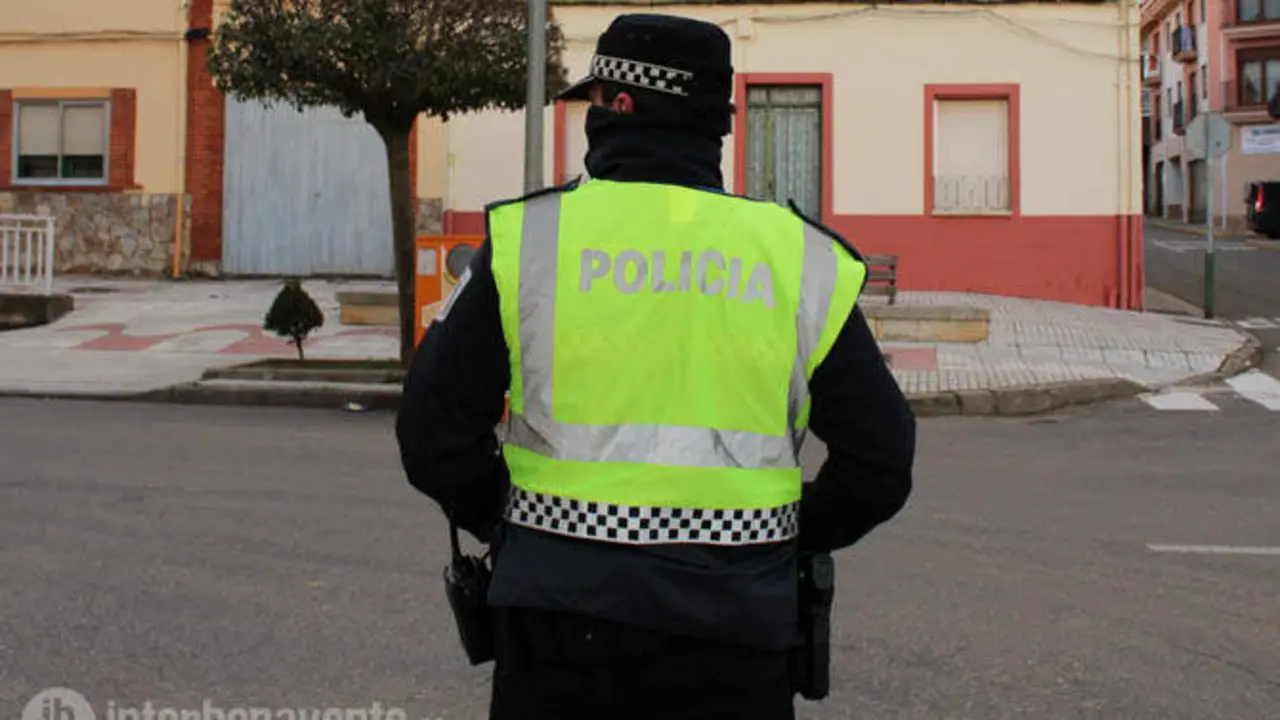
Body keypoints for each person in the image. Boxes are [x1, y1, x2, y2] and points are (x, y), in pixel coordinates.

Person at [396, 12, 916, 720]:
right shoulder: (798, 259)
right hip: (738, 635)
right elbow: (881, 461)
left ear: (620, 105)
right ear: (716, 126)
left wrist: (512, 522)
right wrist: (782, 536)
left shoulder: (530, 242)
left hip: (557, 628)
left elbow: (432, 433)